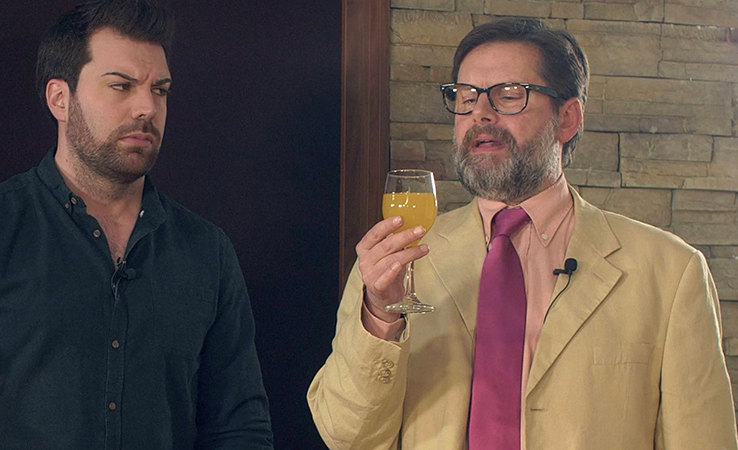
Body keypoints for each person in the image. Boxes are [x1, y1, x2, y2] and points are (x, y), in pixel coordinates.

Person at [308, 17, 737, 449]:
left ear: (567, 118)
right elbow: (347, 436)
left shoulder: (670, 272)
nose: (480, 113)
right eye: (465, 97)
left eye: (509, 95)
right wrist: (380, 316)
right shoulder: (398, 261)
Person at [0, 1, 273, 448]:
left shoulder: (206, 250)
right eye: (121, 86)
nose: (147, 108)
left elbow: (238, 422)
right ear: (60, 98)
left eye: (160, 90)